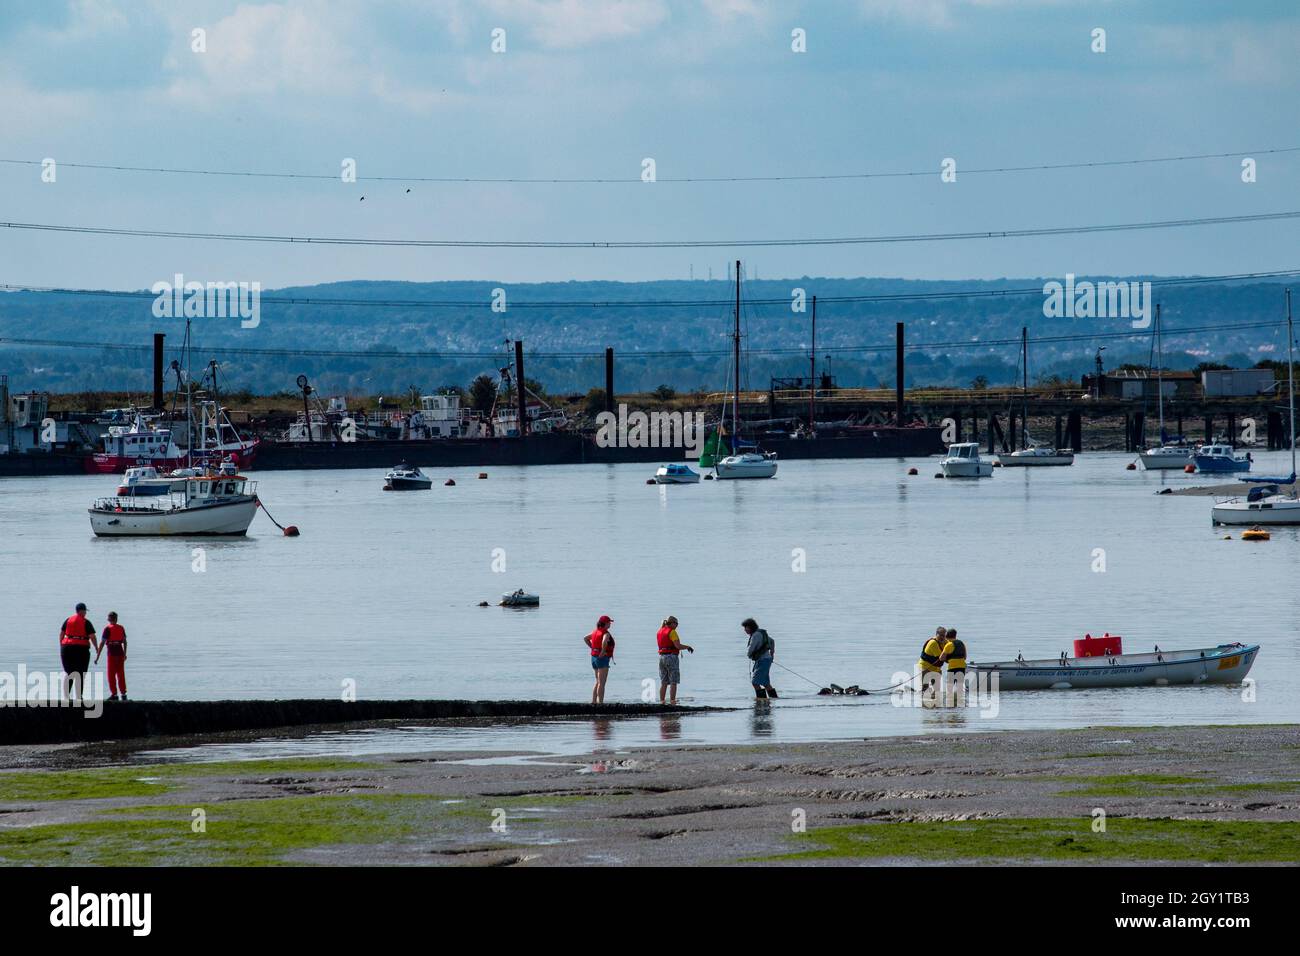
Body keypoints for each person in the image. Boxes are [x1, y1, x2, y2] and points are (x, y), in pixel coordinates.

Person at [58, 602, 99, 701]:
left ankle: (66, 697)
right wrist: (97, 648)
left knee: (69, 672)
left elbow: (61, 634)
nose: (85, 613)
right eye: (85, 611)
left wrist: (62, 646)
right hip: (81, 649)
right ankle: (78, 697)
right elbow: (92, 636)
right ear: (82, 611)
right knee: (80, 673)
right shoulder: (86, 622)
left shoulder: (68, 620)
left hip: (66, 648)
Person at [656, 615, 694, 705]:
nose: (677, 625)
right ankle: (673, 701)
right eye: (676, 623)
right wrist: (688, 647)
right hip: (671, 658)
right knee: (673, 681)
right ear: (672, 623)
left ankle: (662, 702)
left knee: (664, 682)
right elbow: (678, 646)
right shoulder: (672, 632)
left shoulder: (659, 631)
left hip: (662, 658)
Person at [95, 611, 128, 702]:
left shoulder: (107, 629)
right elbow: (125, 642)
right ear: (116, 619)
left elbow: (102, 643)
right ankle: (123, 694)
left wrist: (97, 656)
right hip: (120, 652)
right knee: (121, 674)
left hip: (112, 653)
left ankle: (114, 694)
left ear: (109, 619)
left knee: (111, 674)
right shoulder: (121, 628)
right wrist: (125, 654)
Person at [741, 618, 777, 699]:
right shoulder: (761, 632)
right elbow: (772, 641)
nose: (745, 630)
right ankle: (774, 699)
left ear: (751, 627)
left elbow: (751, 649)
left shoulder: (755, 635)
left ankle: (762, 700)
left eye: (746, 627)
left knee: (755, 682)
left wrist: (749, 655)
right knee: (766, 683)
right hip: (766, 660)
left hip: (762, 661)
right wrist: (772, 653)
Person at [585, 614, 615, 705]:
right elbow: (604, 641)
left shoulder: (594, 632)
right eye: (609, 622)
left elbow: (585, 638)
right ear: (605, 623)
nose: (610, 624)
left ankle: (594, 701)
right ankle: (600, 704)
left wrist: (592, 648)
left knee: (598, 681)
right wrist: (602, 652)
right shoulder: (605, 633)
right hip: (602, 659)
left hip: (594, 658)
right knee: (602, 683)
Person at [918, 626, 946, 703]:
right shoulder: (933, 643)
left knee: (937, 690)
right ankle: (925, 705)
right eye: (940, 635)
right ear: (936, 634)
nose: (942, 637)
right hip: (925, 667)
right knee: (925, 688)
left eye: (944, 635)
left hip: (936, 668)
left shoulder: (945, 641)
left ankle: (935, 705)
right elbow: (941, 658)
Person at [941, 627, 967, 706]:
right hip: (962, 668)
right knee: (959, 688)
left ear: (946, 636)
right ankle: (959, 705)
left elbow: (941, 658)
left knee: (949, 689)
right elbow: (965, 657)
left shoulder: (948, 645)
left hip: (952, 668)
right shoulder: (962, 643)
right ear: (955, 635)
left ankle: (950, 706)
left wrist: (948, 660)